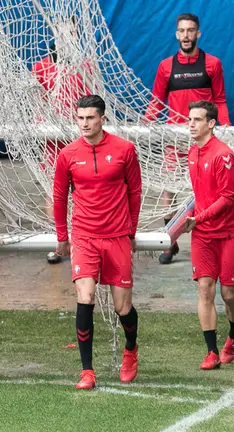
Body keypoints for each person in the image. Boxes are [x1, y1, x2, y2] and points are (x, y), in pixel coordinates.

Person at [53, 95, 143, 390]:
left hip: (117, 236)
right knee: (85, 298)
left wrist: (130, 230)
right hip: (85, 236)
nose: (84, 123)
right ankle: (87, 371)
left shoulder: (124, 150)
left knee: (123, 307)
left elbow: (135, 191)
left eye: (90, 118)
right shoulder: (67, 154)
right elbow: (59, 197)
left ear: (103, 118)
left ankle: (131, 348)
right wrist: (62, 236)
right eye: (80, 118)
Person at [144, 13, 231, 264]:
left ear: (198, 33)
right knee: (168, 194)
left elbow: (220, 100)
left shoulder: (212, 64)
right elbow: (156, 103)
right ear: (176, 34)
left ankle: (214, 239)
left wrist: (226, 129)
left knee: (211, 194)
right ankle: (169, 242)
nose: (186, 36)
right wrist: (144, 124)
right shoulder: (166, 67)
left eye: (191, 31)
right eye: (181, 31)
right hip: (176, 141)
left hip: (206, 142)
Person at [182, 100, 234, 370]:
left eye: (197, 120)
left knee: (228, 294)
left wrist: (200, 218)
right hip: (203, 235)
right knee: (205, 289)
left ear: (211, 124)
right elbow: (201, 196)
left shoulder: (224, 155)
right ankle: (211, 352)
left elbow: (227, 198)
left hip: (230, 233)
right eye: (189, 120)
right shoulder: (192, 154)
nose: (191, 125)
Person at [33, 18, 95, 264]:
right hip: (51, 141)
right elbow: (38, 102)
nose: (65, 36)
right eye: (61, 31)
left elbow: (92, 99)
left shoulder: (86, 66)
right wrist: (43, 127)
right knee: (53, 194)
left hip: (79, 137)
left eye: (70, 32)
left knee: (83, 192)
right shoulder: (42, 67)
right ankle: (57, 242)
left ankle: (82, 241)